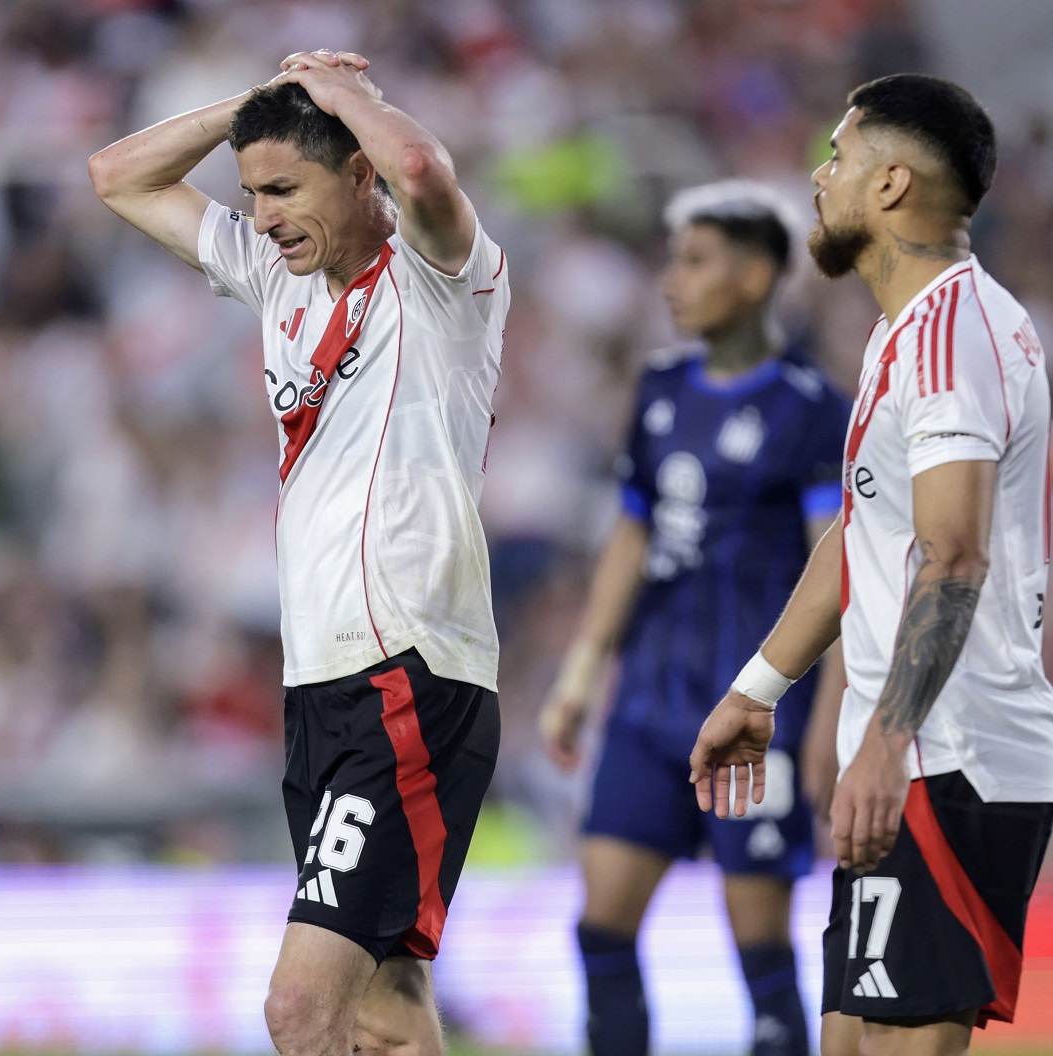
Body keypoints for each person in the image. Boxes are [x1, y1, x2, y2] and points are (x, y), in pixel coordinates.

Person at [90, 49, 506, 1054]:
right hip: (321, 681)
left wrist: (342, 93)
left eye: (284, 188)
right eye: (251, 194)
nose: (263, 214)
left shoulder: (445, 278)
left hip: (408, 670)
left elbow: (424, 176)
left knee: (299, 1008)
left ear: (356, 172)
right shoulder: (274, 278)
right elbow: (117, 176)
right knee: (387, 1009)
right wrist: (259, 103)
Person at [691, 74, 1053, 1056]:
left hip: (947, 757)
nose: (820, 176)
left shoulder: (947, 338)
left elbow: (955, 552)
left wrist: (889, 746)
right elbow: (864, 539)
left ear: (891, 183)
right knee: (846, 1042)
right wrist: (760, 688)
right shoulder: (915, 332)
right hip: (915, 759)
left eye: (839, 155)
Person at [539, 181, 850, 1056]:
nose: (672, 281)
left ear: (755, 278)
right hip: (645, 705)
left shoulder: (813, 409)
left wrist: (824, 719)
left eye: (696, 261)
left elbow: (841, 565)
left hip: (754, 712)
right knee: (601, 930)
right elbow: (631, 536)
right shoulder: (661, 388)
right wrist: (579, 673)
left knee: (759, 948)